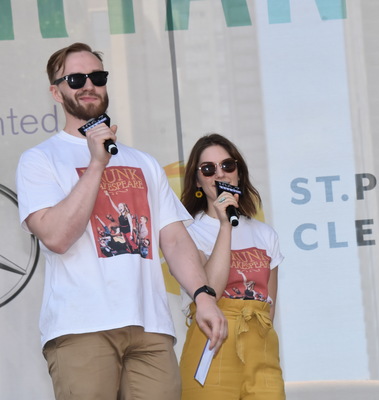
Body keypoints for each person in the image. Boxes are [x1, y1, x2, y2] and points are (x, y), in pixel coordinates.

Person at [15, 42, 227, 400]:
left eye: (97, 76)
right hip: (82, 328)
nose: (88, 85)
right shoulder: (40, 160)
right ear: (55, 91)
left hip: (151, 327)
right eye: (76, 78)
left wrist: (203, 296)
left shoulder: (143, 162)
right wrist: (96, 163)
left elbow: (173, 240)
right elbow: (56, 237)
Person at [178, 133, 285, 399]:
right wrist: (226, 225)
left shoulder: (265, 235)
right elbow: (209, 290)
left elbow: (268, 306)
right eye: (208, 169)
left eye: (228, 165)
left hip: (260, 351)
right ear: (197, 181)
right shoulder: (187, 232)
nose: (221, 174)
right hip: (213, 344)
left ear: (239, 173)